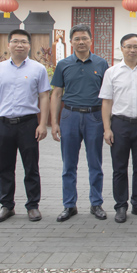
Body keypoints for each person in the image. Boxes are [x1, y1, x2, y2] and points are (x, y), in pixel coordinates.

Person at [0, 29, 50, 223]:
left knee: (31, 167)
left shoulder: (38, 69)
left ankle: (33, 206)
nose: (19, 45)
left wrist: (42, 124)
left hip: (28, 124)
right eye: (15, 41)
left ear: (29, 45)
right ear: (8, 45)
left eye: (23, 42)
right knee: (5, 167)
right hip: (4, 124)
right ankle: (7, 206)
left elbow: (44, 96)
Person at [99, 33, 137, 223]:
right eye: (128, 46)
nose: (132, 50)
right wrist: (107, 128)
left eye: (136, 47)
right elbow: (106, 102)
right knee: (119, 168)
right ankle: (120, 205)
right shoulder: (112, 72)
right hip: (120, 124)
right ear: (122, 48)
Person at [50, 24, 109, 222]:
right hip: (70, 116)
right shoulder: (63, 64)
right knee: (69, 164)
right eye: (77, 39)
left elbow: (108, 96)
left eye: (84, 38)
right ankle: (69, 205)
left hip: (94, 116)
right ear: (71, 42)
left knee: (95, 163)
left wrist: (107, 125)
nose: (81, 42)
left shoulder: (101, 64)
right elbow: (56, 94)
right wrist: (54, 123)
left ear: (91, 40)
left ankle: (96, 203)